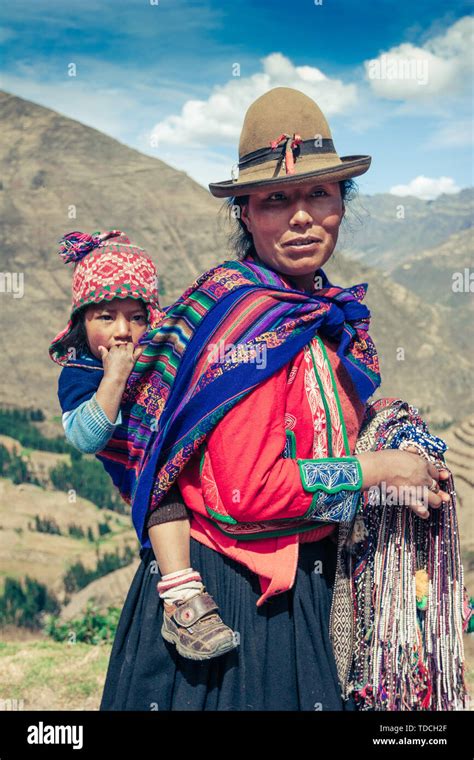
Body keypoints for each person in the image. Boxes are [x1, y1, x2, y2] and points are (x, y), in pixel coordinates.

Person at [99, 87, 470, 711]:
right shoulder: (245, 321)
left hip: (303, 587)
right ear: (245, 212)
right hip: (234, 608)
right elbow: (249, 492)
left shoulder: (317, 314)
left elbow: (315, 432)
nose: (301, 217)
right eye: (276, 199)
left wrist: (392, 438)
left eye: (318, 195)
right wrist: (383, 469)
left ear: (341, 205)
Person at [48, 229, 238, 660]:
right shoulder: (80, 374)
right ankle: (182, 603)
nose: (123, 331)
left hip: (192, 462)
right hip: (146, 477)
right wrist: (114, 377)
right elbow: (85, 437)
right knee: (163, 503)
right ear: (82, 321)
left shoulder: (159, 355)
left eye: (136, 317)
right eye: (106, 317)